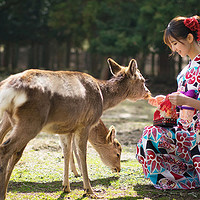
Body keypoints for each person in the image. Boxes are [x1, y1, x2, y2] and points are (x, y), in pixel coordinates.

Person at [136, 15, 200, 190]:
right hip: (185, 129)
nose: (173, 49)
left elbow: (188, 100)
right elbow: (183, 104)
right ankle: (181, 176)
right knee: (150, 134)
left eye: (175, 43)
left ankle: (193, 174)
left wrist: (185, 100)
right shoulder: (186, 69)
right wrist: (166, 101)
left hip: (198, 134)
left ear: (189, 38)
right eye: (171, 45)